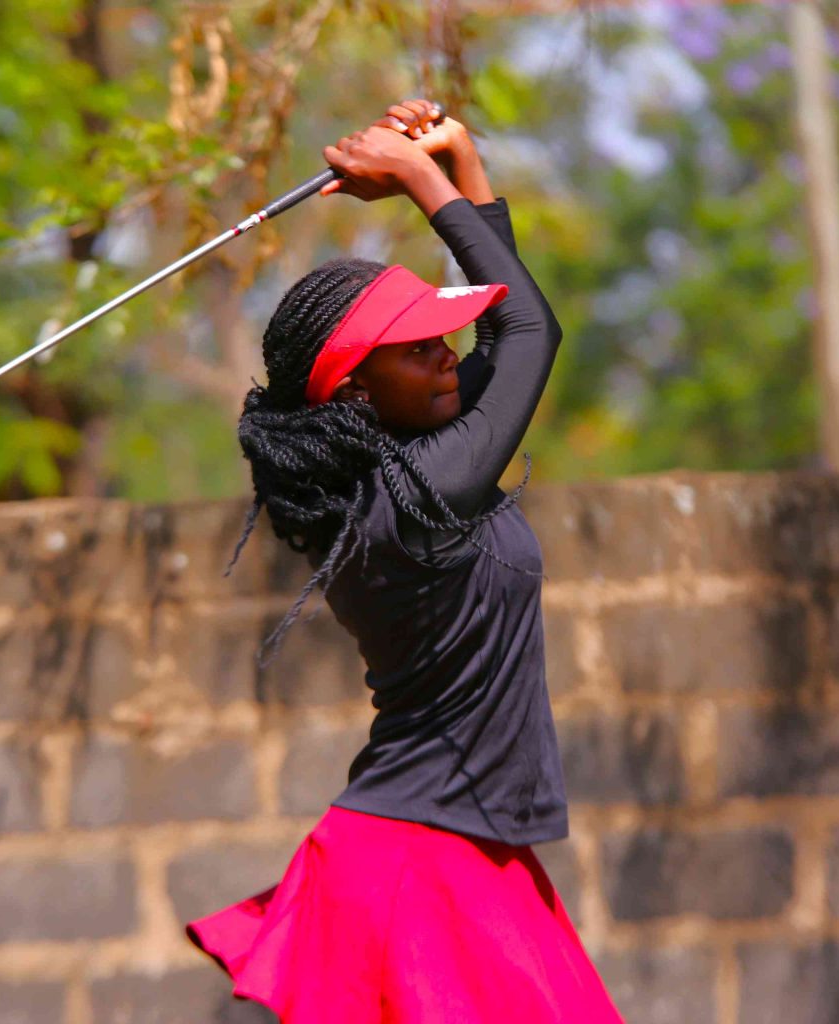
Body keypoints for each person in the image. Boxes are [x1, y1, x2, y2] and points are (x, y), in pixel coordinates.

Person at [187, 99, 623, 1024]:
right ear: (354, 386)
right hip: (420, 860)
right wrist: (423, 185)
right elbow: (535, 340)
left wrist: (461, 161)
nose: (444, 359)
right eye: (417, 348)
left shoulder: (400, 468)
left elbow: (509, 331)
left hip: (450, 844)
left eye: (441, 341)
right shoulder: (416, 498)